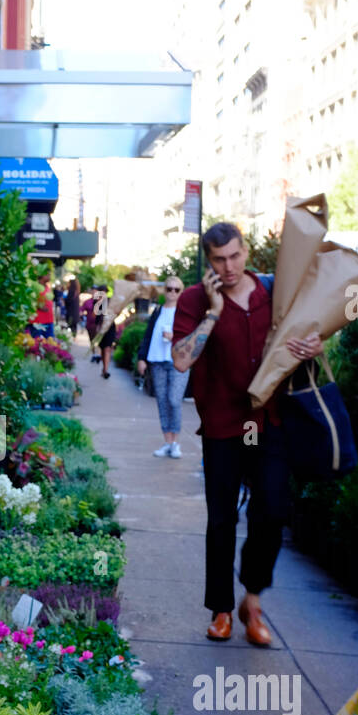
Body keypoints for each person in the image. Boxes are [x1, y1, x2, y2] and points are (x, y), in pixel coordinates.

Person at [171, 221, 322, 646]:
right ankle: (221, 608)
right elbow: (182, 360)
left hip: (264, 424)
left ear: (246, 251)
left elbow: (312, 334)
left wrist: (314, 346)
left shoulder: (273, 291)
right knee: (221, 517)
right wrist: (214, 312)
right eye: (219, 259)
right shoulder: (194, 300)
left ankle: (251, 600)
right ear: (208, 262)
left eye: (235, 255)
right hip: (222, 425)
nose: (229, 265)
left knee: (272, 510)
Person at [137, 277, 189, 456]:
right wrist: (142, 358)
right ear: (164, 291)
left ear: (181, 292)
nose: (173, 292)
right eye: (169, 289)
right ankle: (167, 441)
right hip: (157, 360)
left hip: (178, 362)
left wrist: (173, 336)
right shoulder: (158, 311)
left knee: (174, 400)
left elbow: (192, 337)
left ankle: (176, 443)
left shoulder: (185, 313)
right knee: (162, 401)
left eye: (177, 290)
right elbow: (148, 335)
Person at [92, 284, 117, 378]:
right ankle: (104, 368)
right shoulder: (96, 302)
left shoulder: (111, 301)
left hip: (110, 327)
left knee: (107, 348)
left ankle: (106, 370)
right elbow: (95, 315)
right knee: (103, 348)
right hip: (100, 327)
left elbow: (115, 312)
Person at [29, 269, 55, 338]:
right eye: (47, 274)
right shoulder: (35, 286)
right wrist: (39, 306)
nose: (49, 275)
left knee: (50, 343)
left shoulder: (47, 287)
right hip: (38, 321)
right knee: (36, 343)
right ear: (41, 275)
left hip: (49, 320)